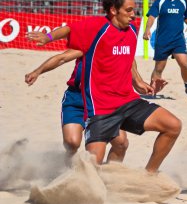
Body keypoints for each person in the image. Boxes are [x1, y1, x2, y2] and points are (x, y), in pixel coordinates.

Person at [35, 0, 181, 172]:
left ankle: (148, 176)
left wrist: (139, 83)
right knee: (87, 163)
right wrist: (47, 38)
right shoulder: (96, 28)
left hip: (126, 101)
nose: (133, 15)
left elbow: (129, 60)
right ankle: (70, 174)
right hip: (100, 107)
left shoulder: (132, 30)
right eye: (128, 10)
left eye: (134, 10)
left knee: (172, 126)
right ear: (113, 10)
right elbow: (68, 31)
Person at [25, 28, 133, 163]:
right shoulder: (89, 46)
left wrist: (139, 83)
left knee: (121, 143)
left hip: (103, 101)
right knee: (72, 143)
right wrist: (37, 72)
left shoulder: (119, 48)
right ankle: (66, 169)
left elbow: (129, 62)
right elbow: (61, 58)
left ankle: (110, 175)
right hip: (77, 98)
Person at [143, 0, 187, 102]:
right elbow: (152, 17)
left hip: (178, 40)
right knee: (159, 68)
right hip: (162, 40)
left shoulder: (183, 2)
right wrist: (147, 29)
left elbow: (186, 17)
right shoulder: (160, 1)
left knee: (184, 64)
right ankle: (152, 91)